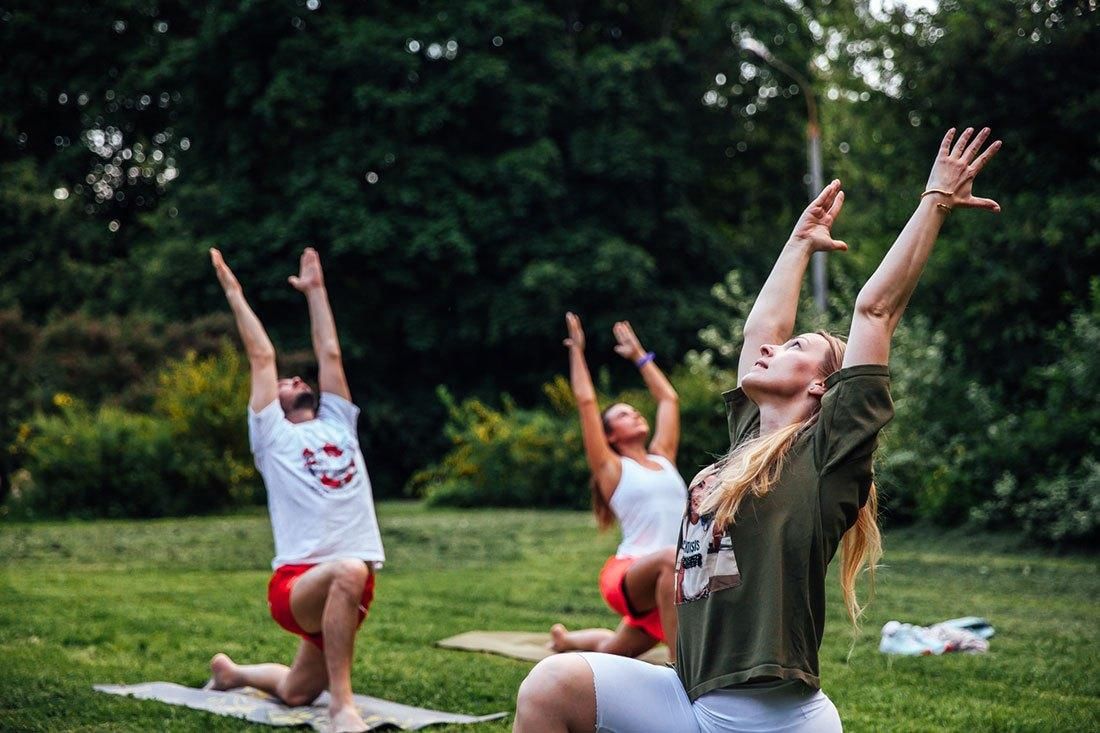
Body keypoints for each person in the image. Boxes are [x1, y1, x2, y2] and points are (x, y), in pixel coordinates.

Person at [513, 126, 1002, 732]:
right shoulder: (746, 445)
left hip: (772, 719)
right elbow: (757, 333)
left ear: (824, 387)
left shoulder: (826, 456)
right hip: (687, 698)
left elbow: (875, 309)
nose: (769, 350)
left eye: (795, 346)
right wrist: (798, 243)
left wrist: (935, 200)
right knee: (552, 685)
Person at [205, 246, 385, 733]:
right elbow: (262, 355)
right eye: (285, 381)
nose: (294, 378)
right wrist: (235, 293)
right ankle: (342, 708)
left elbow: (329, 351)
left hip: (349, 584)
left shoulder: (339, 422)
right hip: (298, 583)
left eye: (295, 377)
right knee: (350, 567)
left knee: (295, 690)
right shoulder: (272, 436)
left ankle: (232, 673)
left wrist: (316, 291)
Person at [548, 315, 688, 662]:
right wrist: (578, 352)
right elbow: (585, 403)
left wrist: (639, 355)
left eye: (635, 411)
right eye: (624, 415)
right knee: (671, 560)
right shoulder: (611, 469)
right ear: (610, 434)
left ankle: (567, 641)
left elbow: (668, 399)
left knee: (614, 652)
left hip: (671, 583)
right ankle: (681, 669)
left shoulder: (664, 457)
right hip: (630, 573)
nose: (637, 414)